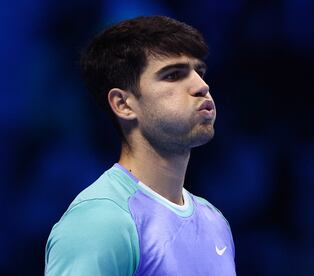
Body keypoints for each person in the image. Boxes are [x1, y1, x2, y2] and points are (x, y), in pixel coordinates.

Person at [44, 15, 236, 275]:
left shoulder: (215, 222)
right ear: (123, 104)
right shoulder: (100, 222)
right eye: (173, 75)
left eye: (199, 72)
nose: (202, 86)